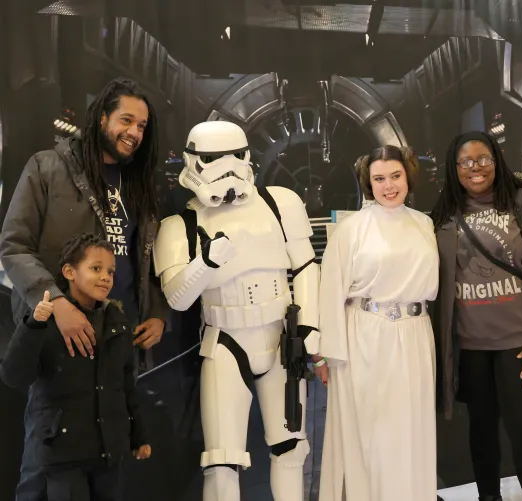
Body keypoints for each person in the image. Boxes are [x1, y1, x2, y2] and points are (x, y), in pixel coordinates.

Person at [0, 77, 170, 501]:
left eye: (142, 125)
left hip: (114, 343)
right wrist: (56, 303)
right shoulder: (47, 168)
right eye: (126, 120)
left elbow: (147, 258)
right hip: (58, 344)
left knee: (106, 477)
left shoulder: (139, 184)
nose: (134, 132)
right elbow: (13, 246)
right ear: (101, 120)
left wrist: (157, 311)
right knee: (45, 475)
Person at [153, 120, 320, 501]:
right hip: (225, 342)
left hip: (281, 340)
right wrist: (206, 264)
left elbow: (307, 266)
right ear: (193, 161)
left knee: (291, 450)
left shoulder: (281, 203)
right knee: (222, 462)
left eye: (234, 157)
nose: (226, 169)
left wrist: (309, 323)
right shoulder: (180, 224)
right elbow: (178, 298)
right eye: (213, 159)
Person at [430, 131, 522, 501]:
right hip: (471, 347)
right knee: (481, 427)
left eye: (483, 159)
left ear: (496, 160)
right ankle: (489, 497)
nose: (475, 169)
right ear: (454, 167)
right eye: (466, 162)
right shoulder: (443, 215)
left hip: (521, 345)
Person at [314, 145, 439, 501]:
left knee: (411, 430)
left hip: (415, 336)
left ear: (408, 176)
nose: (389, 186)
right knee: (371, 433)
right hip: (366, 337)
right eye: (379, 178)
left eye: (395, 176)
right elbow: (331, 290)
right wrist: (326, 354)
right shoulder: (352, 229)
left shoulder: (423, 223)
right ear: (368, 183)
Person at [0, 233, 152, 501]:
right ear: (69, 271)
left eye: (111, 271)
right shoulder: (44, 319)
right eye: (96, 268)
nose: (106, 277)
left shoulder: (117, 322)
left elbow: (126, 385)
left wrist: (137, 435)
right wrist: (33, 326)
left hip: (107, 456)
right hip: (61, 457)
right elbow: (14, 375)